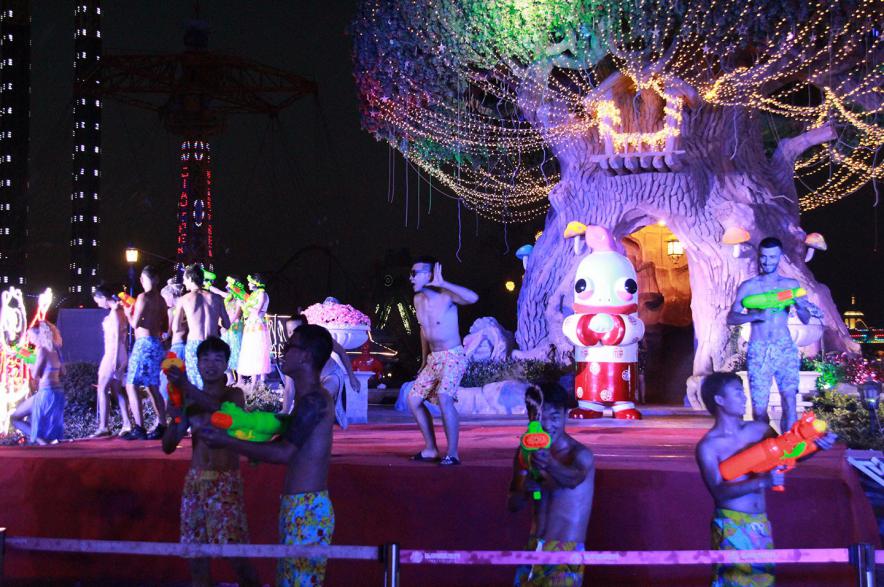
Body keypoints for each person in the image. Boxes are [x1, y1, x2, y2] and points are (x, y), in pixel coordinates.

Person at [196, 324, 335, 587]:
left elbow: (284, 453)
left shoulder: (313, 400)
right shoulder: (308, 399)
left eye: (290, 346)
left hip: (306, 507)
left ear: (305, 356)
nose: (284, 350)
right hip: (300, 505)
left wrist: (227, 441)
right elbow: (282, 442)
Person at [696, 372, 835, 586]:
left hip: (760, 522)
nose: (744, 398)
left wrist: (816, 447)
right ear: (719, 399)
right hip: (731, 523)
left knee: (763, 581)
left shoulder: (759, 430)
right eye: (737, 392)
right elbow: (719, 492)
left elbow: (789, 456)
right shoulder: (709, 446)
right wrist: (762, 482)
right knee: (734, 582)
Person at [162, 336, 259, 587]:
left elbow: (223, 413)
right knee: (196, 554)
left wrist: (186, 387)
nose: (211, 365)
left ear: (227, 364)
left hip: (224, 480)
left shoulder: (233, 395)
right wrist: (176, 416)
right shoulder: (189, 399)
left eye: (218, 359)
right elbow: (168, 446)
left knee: (236, 554)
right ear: (197, 363)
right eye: (205, 359)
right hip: (195, 482)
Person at [726, 237, 821, 432]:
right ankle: (767, 447)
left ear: (780, 257)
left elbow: (805, 318)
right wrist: (754, 316)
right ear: (758, 256)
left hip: (784, 346)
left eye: (772, 257)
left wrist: (800, 306)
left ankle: (789, 447)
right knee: (759, 408)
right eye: (764, 257)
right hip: (759, 349)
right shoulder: (748, 287)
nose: (767, 261)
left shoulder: (791, 285)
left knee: (790, 402)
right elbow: (731, 318)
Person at [508, 382, 595, 586]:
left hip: (564, 552)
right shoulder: (525, 453)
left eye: (554, 417)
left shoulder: (579, 454)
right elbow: (512, 504)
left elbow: (573, 479)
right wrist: (525, 488)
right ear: (530, 416)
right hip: (533, 548)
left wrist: (550, 464)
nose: (547, 425)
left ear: (565, 415)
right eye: (540, 417)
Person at [407, 257, 478, 466]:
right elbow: (424, 329)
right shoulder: (418, 300)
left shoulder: (446, 296)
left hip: (453, 356)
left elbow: (473, 298)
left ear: (429, 275)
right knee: (413, 400)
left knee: (444, 396)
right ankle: (430, 449)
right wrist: (424, 359)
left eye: (415, 273)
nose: (411, 278)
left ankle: (453, 453)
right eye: (410, 273)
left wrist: (444, 283)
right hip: (434, 358)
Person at [281, 314, 358, 430]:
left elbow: (341, 352)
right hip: (311, 382)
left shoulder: (319, 339)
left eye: (296, 330)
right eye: (289, 332)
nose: (292, 335)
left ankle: (330, 417)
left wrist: (352, 377)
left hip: (331, 375)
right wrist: (285, 412)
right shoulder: (291, 351)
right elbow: (289, 388)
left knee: (317, 398)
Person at [122, 265, 169, 440]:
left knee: (131, 384)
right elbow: (165, 326)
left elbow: (134, 324)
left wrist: (128, 313)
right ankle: (162, 425)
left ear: (143, 279)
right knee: (152, 386)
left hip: (143, 343)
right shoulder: (162, 300)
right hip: (156, 343)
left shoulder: (143, 297)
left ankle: (139, 427)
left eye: (142, 278)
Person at [174, 264, 230, 389]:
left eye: (184, 279)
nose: (184, 282)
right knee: (212, 382)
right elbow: (227, 324)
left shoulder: (184, 299)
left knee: (195, 384)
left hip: (195, 343)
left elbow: (176, 328)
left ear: (190, 278)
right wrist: (214, 320)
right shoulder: (217, 298)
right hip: (213, 343)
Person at [11, 321, 66, 445]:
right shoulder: (56, 348)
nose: (29, 340)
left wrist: (32, 365)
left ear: (38, 335)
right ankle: (44, 443)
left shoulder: (42, 350)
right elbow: (63, 371)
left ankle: (43, 443)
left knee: (15, 418)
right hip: (57, 393)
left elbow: (36, 373)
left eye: (31, 336)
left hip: (46, 392)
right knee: (45, 429)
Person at [90, 286, 132, 438]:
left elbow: (117, 337)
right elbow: (124, 338)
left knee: (102, 388)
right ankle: (126, 423)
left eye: (97, 301)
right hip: (120, 352)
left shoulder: (115, 313)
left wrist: (114, 359)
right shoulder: (121, 311)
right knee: (116, 390)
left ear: (103, 298)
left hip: (113, 353)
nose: (98, 304)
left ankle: (104, 426)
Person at [237, 274, 271, 388]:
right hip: (250, 325)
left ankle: (260, 382)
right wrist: (243, 305)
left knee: (258, 351)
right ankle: (253, 381)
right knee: (251, 352)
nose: (248, 284)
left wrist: (245, 305)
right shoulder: (253, 295)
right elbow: (249, 311)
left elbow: (257, 311)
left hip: (257, 325)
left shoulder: (262, 294)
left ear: (256, 282)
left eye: (250, 282)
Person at [159, 278, 186, 404]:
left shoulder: (173, 310)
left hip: (178, 346)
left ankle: (168, 407)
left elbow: (169, 332)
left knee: (164, 380)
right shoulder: (186, 306)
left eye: (164, 298)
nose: (164, 301)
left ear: (170, 296)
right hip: (185, 344)